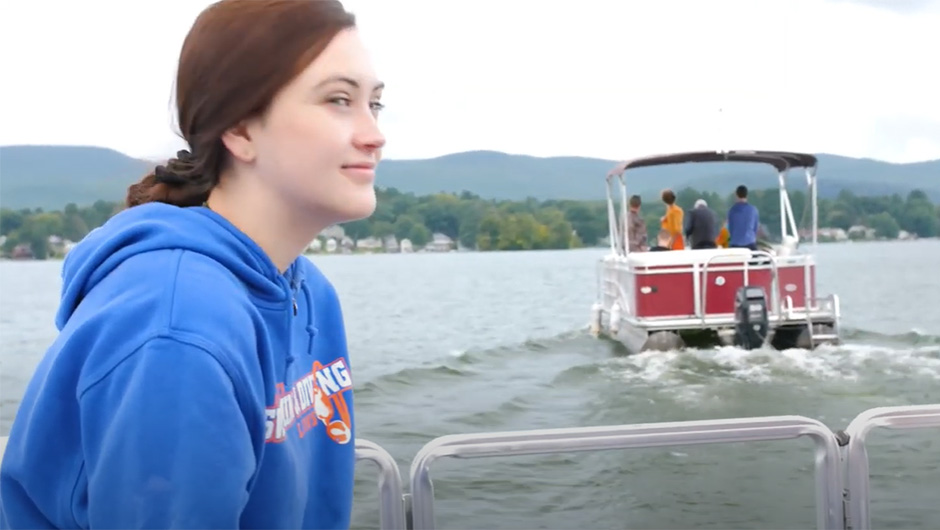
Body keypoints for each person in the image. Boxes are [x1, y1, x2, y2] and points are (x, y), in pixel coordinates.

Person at [0, 1, 385, 529]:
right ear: (241, 129)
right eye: (339, 100)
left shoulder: (308, 290)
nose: (374, 134)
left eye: (375, 104)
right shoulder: (177, 329)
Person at [727, 185, 760, 250]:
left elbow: (730, 228)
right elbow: (755, 228)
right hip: (750, 244)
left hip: (735, 245)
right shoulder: (753, 210)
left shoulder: (732, 211)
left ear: (736, 195)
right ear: (747, 195)